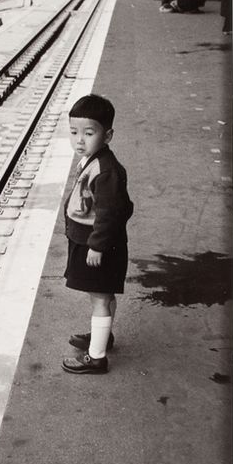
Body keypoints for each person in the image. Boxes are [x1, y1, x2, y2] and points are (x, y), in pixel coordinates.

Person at [62, 94, 134, 375]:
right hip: (90, 242)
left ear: (108, 135)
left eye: (89, 133)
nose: (79, 140)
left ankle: (96, 358)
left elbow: (113, 211)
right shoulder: (94, 160)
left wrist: (98, 246)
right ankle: (103, 337)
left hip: (97, 246)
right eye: (74, 132)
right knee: (103, 296)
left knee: (100, 299)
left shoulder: (106, 170)